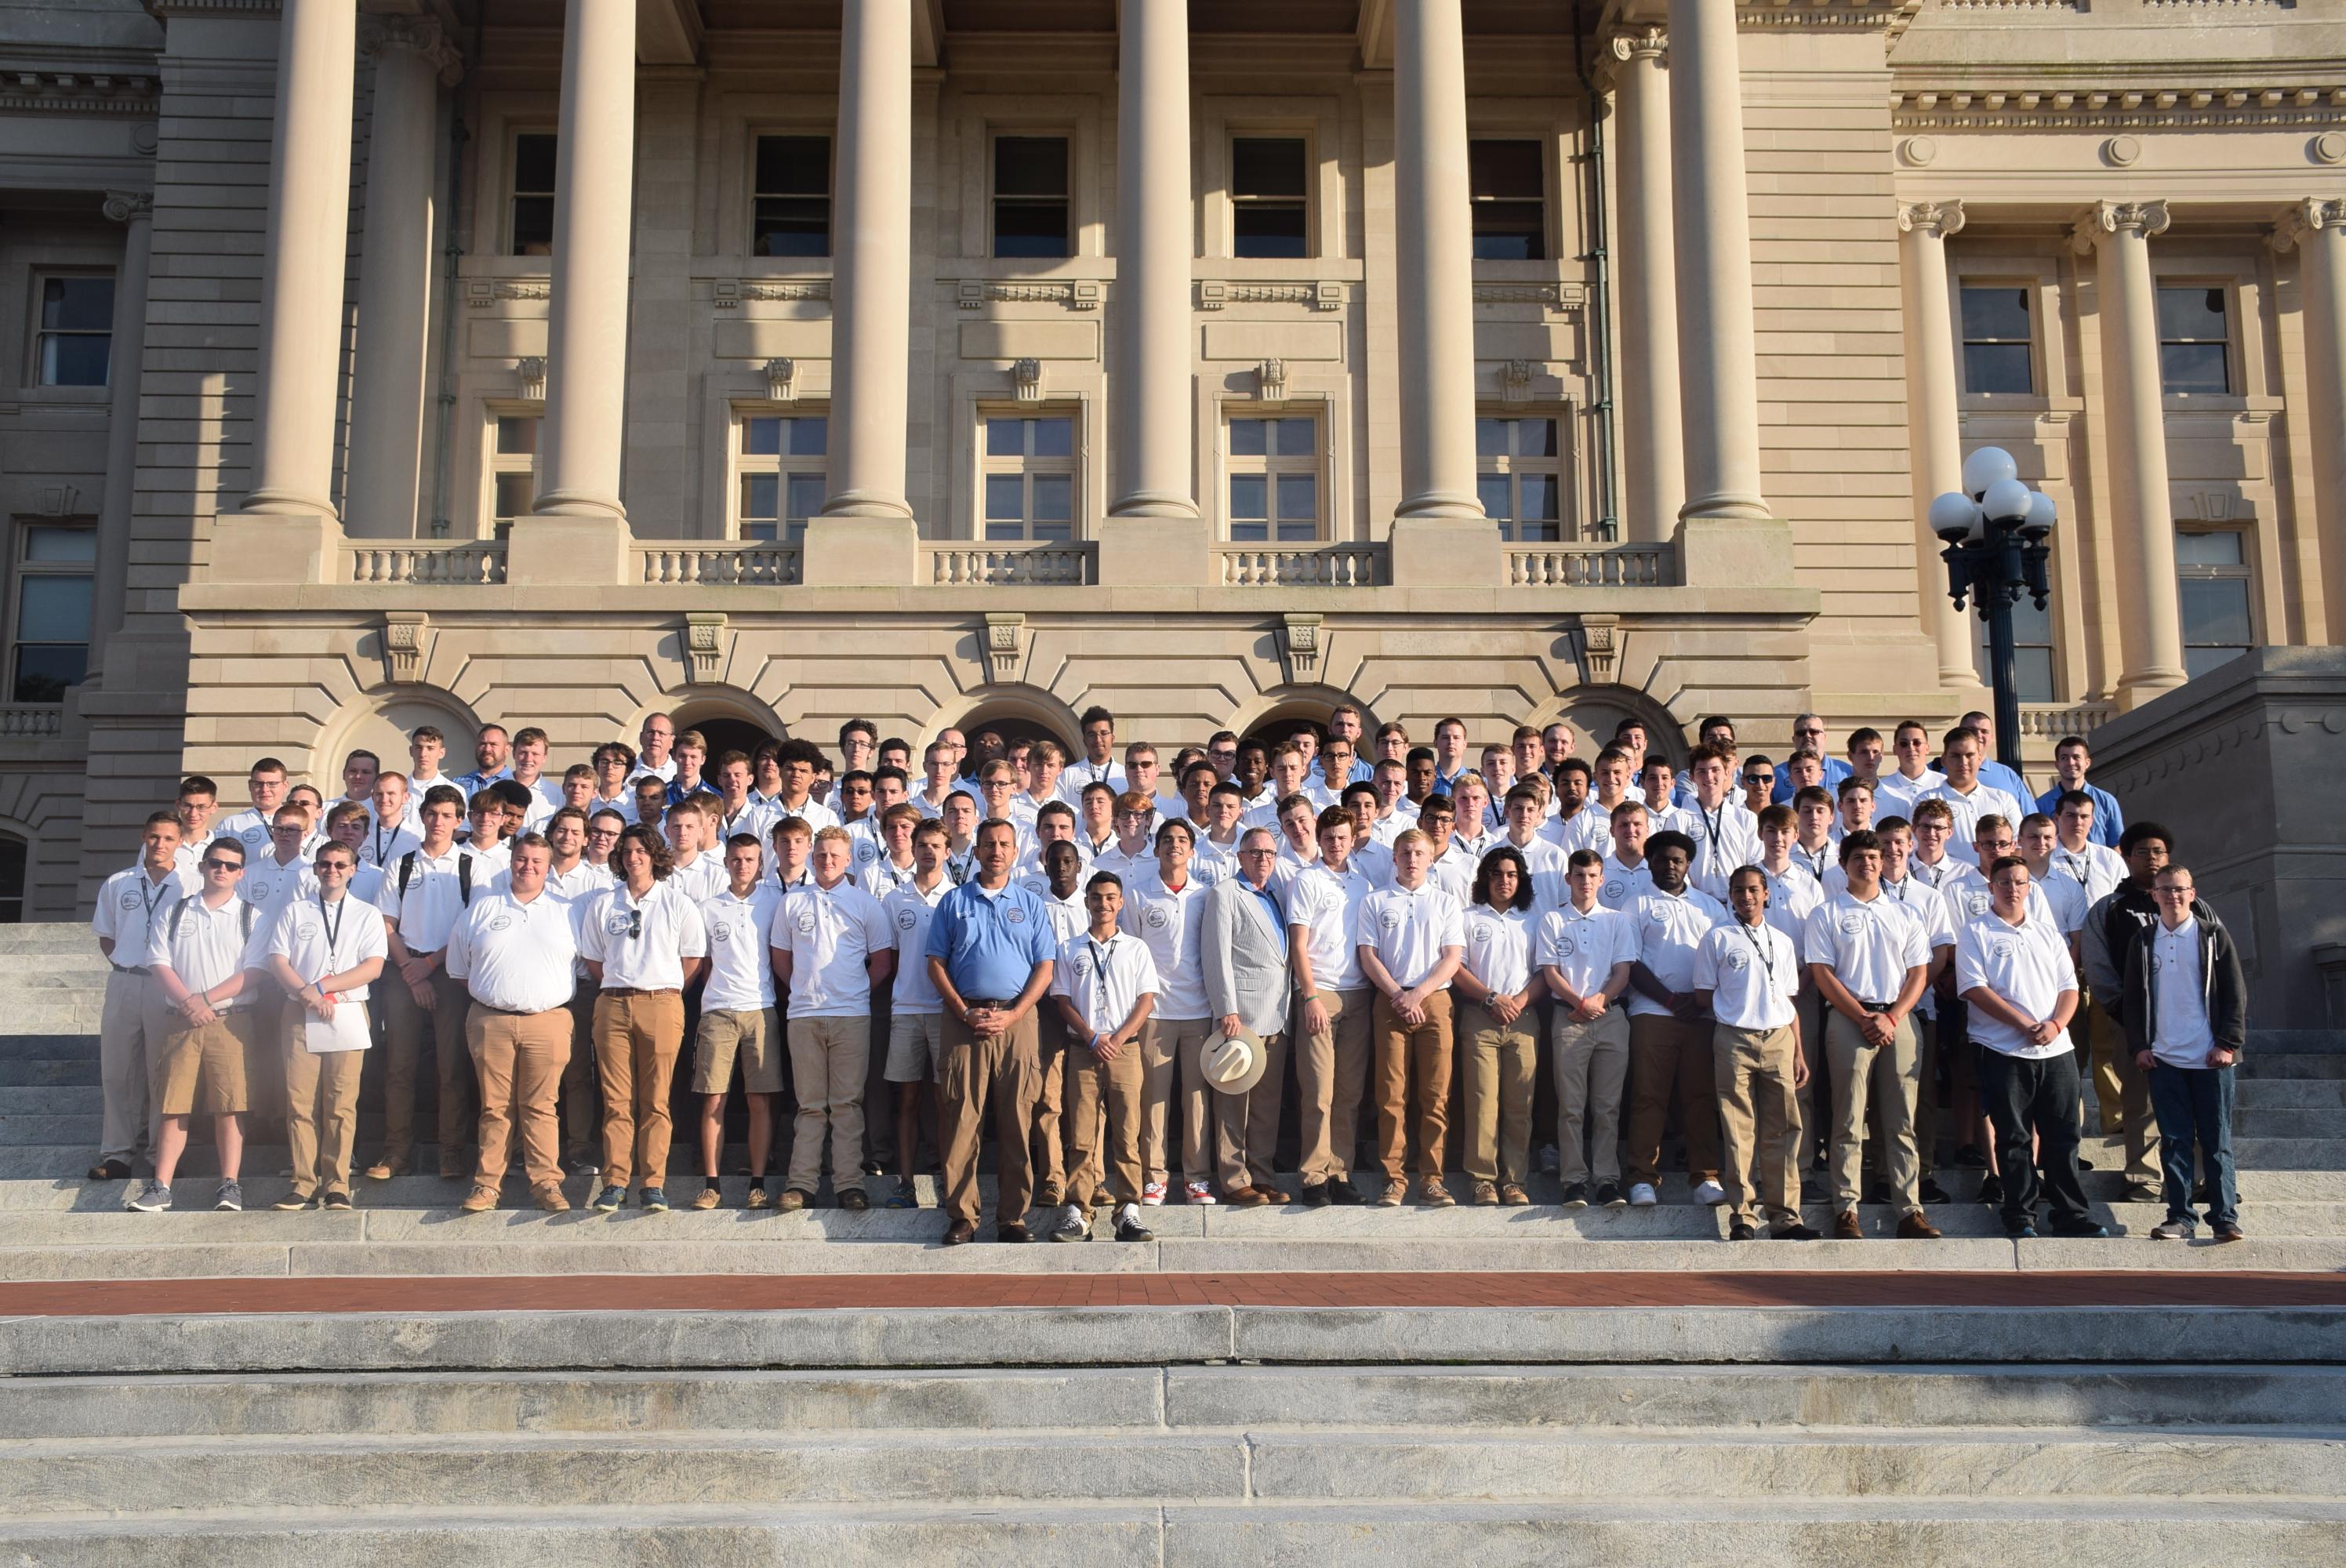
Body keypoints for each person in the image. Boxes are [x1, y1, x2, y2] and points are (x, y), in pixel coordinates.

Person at [924, 818, 1058, 1245]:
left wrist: (1016, 1014)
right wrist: (964, 1012)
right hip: (965, 1021)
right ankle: (963, 1215)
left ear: (1015, 852)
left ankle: (1012, 1218)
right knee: (962, 1118)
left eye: (1004, 844)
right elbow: (935, 963)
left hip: (1017, 1022)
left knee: (1019, 1118)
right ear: (976, 852)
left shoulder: (1030, 903)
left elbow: (1045, 966)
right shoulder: (953, 902)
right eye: (988, 844)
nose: (996, 850)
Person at [1958, 856, 2103, 1240]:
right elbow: (1974, 988)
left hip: (2056, 1050)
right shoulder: (1975, 932)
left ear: (2029, 888)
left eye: (2020, 882)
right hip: (2002, 1048)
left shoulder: (2047, 933)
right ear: (1991, 887)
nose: (2012, 889)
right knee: (2014, 1136)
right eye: (2004, 882)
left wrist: (2055, 1024)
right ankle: (2020, 1213)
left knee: (2063, 1134)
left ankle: (2070, 1213)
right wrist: (2022, 1024)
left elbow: (2069, 988)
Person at [1805, 829, 1939, 1241]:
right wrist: (1863, 1015)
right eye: (1859, 857)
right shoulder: (1825, 913)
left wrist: (1893, 1015)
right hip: (1850, 1018)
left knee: (1902, 1118)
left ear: (1884, 863)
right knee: (1847, 1116)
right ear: (1844, 864)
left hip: (1898, 1018)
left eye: (1874, 857)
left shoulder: (1905, 913)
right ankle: (1846, 1207)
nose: (1867, 863)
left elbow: (1919, 972)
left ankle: (1909, 1210)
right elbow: (1822, 973)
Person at [441, 833, 579, 1214]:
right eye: (521, 859)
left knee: (542, 1106)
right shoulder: (481, 910)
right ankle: (487, 1186)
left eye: (536, 861)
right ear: (511, 862)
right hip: (491, 1020)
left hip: (548, 1021)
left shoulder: (568, 911)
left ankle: (547, 1183)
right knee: (494, 1107)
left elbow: (583, 964)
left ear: (548, 868)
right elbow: (459, 968)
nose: (527, 867)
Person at [577, 823, 709, 1213]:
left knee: (656, 1100)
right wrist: (623, 986)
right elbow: (593, 958)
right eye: (627, 852)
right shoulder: (604, 903)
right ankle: (615, 1181)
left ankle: (653, 1183)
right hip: (613, 1005)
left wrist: (662, 991)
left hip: (663, 1003)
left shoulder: (677, 902)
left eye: (641, 851)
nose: (633, 858)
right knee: (617, 1100)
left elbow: (692, 959)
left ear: (654, 855)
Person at [126, 837, 258, 1212]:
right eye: (216, 862)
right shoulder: (176, 912)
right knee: (173, 1105)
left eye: (231, 866)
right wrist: (189, 1003)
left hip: (230, 1022)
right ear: (202, 866)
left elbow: (256, 972)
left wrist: (206, 1000)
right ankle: (160, 1187)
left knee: (230, 1106)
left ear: (241, 873)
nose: (222, 870)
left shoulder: (251, 915)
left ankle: (229, 1185)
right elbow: (158, 963)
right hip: (180, 1021)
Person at [771, 826, 895, 1211]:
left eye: (835, 856)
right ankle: (801, 1184)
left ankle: (849, 1184)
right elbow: (781, 958)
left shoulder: (864, 904)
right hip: (805, 1015)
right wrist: (806, 991)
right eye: (821, 854)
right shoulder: (792, 902)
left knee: (846, 1104)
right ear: (812, 856)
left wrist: (854, 991)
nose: (827, 861)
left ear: (847, 860)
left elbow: (882, 961)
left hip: (852, 1016)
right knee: (809, 1104)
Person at [261, 839, 388, 1211]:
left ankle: (337, 1183)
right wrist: (307, 994)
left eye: (339, 865)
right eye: (325, 864)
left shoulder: (366, 914)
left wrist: (323, 987)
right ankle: (302, 1182)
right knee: (300, 1101)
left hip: (347, 1010)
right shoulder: (296, 911)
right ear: (315, 869)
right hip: (300, 1011)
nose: (331, 870)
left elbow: (373, 966)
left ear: (352, 870)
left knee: (341, 1103)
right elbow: (278, 961)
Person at [2122, 865, 2246, 1243]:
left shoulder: (2212, 936)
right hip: (2165, 1058)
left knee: (2216, 1140)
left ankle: (2224, 1217)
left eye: (2180, 890)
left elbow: (2234, 993)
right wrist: (2140, 1046)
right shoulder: (2143, 942)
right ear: (2154, 896)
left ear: (2192, 893)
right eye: (2164, 890)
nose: (2172, 896)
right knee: (2174, 1141)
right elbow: (2132, 999)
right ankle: (2179, 1216)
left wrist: (2228, 1043)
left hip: (2211, 1057)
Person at [1694, 866, 1816, 1240]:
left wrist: (1798, 1051)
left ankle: (1785, 1216)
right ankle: (1742, 1214)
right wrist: (1737, 1010)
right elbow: (1702, 993)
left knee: (1783, 1126)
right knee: (1737, 1128)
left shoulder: (1781, 940)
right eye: (1738, 891)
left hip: (1779, 1036)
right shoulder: (1717, 938)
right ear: (1729, 896)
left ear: (1766, 894)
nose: (1746, 897)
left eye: (1753, 890)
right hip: (1734, 1037)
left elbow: (1789, 1000)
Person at [368, 784, 482, 1181]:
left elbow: (472, 928)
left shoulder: (470, 865)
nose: (438, 821)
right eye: (432, 814)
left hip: (450, 972)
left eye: (447, 815)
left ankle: (451, 1151)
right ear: (422, 816)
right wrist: (412, 971)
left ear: (459, 820)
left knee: (451, 1068)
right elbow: (386, 924)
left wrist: (432, 963)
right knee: (399, 1066)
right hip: (404, 972)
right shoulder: (401, 865)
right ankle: (395, 1152)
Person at [1047, 871, 1159, 1243]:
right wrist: (1092, 1035)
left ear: (1121, 902)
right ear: (1087, 902)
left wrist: (1118, 1037)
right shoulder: (1070, 948)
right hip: (1083, 1049)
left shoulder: (1136, 948)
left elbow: (1146, 1000)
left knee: (1127, 1133)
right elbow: (1062, 1000)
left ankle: (1128, 1209)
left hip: (1124, 1050)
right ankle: (1078, 1211)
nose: (1103, 904)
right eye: (1096, 898)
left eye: (1111, 898)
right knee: (1081, 1135)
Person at [1356, 828, 1466, 1207]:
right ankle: (1394, 1179)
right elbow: (1368, 955)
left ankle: (1433, 1179)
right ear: (1395, 857)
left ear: (1431, 858)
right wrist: (1398, 995)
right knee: (1391, 1095)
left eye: (1419, 853)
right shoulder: (1375, 900)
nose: (1412, 859)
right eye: (1405, 852)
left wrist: (1418, 993)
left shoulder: (1445, 902)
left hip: (1434, 1000)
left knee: (1435, 1095)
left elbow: (1452, 956)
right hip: (1390, 1000)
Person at [1621, 831, 1729, 1208]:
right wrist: (1669, 998)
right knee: (1649, 1096)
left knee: (1700, 1097)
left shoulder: (1711, 907)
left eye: (1677, 860)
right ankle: (1641, 1177)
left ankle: (1706, 1177)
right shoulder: (1636, 905)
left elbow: (1722, 960)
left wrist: (1699, 1002)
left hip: (1702, 1015)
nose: (1670, 866)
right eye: (1662, 859)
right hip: (1652, 1013)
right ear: (1649, 862)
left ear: (1688, 864)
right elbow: (1630, 963)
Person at [89, 811, 194, 1182]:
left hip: (167, 987)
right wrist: (127, 965)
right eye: (153, 838)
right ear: (143, 838)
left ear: (180, 842)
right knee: (118, 1071)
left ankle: (160, 1153)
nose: (160, 845)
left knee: (161, 1072)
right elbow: (106, 934)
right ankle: (117, 1153)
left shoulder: (191, 884)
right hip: (125, 981)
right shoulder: (119, 883)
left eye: (168, 838)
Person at [2081, 821, 2180, 1202]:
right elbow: (2097, 961)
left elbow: (2216, 960)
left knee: (2195, 1103)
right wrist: (2120, 1006)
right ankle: (2144, 1178)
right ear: (2125, 856)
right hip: (2133, 1021)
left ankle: (2202, 1177)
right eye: (2142, 852)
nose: (2151, 859)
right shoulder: (2112, 907)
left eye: (2158, 851)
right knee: (2140, 1102)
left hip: (2187, 1021)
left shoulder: (2189, 903)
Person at [1538, 848, 1638, 1209]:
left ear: (1601, 879)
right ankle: (1574, 1181)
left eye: (1592, 875)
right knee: (1571, 1106)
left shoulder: (1616, 921)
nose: (1585, 882)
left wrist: (1597, 1001)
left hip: (1610, 1017)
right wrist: (1580, 1004)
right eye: (1579, 875)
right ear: (1568, 878)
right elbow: (1550, 972)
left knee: (1608, 1106)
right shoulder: (1552, 920)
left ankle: (1607, 1180)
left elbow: (1622, 972)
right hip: (1568, 1018)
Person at [688, 833, 783, 1209]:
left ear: (760, 864)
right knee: (714, 1098)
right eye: (736, 859)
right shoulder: (708, 907)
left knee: (759, 1099)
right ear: (725, 862)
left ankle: (757, 1182)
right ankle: (711, 1183)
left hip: (761, 1009)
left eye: (749, 860)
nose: (742, 865)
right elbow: (706, 963)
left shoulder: (775, 902)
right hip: (718, 1011)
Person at [1287, 808, 1377, 1206]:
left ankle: (1341, 1173)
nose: (1336, 843)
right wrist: (1308, 995)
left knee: (1349, 1093)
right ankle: (1313, 1176)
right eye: (1329, 836)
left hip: (1358, 993)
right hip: (1319, 991)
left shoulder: (1363, 884)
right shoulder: (1306, 880)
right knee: (1319, 1091)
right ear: (1319, 838)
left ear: (1353, 838)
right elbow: (1299, 944)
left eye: (1343, 836)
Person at [1124, 820, 1215, 1204]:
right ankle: (1155, 1176)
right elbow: (1130, 952)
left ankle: (1197, 1178)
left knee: (1196, 1100)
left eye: (1181, 841)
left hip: (1199, 1009)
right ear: (1156, 849)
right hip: (1155, 1012)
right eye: (1166, 841)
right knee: (1153, 1100)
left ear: (1192, 851)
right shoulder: (1139, 894)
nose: (1174, 846)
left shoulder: (1206, 895)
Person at [1200, 828, 1291, 1206]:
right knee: (1234, 1102)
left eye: (1269, 853)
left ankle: (1262, 1174)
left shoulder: (1277, 895)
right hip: (1241, 1017)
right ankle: (1234, 1179)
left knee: (1267, 1106)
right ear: (1240, 857)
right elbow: (1216, 953)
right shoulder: (1225, 893)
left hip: (1278, 1014)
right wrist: (1227, 1010)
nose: (1263, 859)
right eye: (1255, 853)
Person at [1454, 847, 1540, 1206]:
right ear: (1485, 878)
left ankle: (1514, 1180)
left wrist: (1517, 1002)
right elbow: (1456, 968)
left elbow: (1547, 972)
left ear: (1520, 880)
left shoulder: (1534, 919)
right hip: (1480, 1016)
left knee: (1520, 1104)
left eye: (1510, 875)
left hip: (1524, 1018)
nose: (1503, 881)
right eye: (1496, 874)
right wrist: (1491, 999)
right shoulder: (1468, 917)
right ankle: (1482, 1179)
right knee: (1482, 1102)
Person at [880, 818, 956, 1209]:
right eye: (922, 844)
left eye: (935, 845)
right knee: (907, 1100)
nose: (928, 851)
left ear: (947, 851)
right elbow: (890, 960)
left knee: (947, 1102)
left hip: (946, 1013)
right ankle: (905, 1182)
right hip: (906, 1010)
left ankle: (948, 1180)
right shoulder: (895, 900)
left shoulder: (959, 898)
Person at [2036, 734, 2124, 848]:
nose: (2071, 762)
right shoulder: (2041, 805)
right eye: (2064, 758)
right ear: (2057, 764)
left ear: (2087, 763)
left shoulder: (2106, 801)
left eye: (2076, 757)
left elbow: (2116, 845)